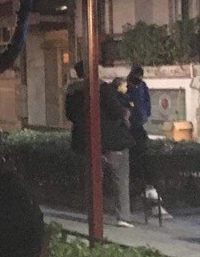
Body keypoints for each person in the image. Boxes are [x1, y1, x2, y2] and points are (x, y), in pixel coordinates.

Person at [65, 61, 134, 227]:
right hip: (113, 141)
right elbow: (116, 110)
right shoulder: (103, 88)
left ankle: (95, 212)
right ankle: (123, 216)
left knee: (93, 179)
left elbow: (69, 115)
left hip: (85, 142)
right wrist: (126, 112)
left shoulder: (72, 92)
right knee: (120, 179)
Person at [125, 65, 168, 218]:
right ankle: (144, 192)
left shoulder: (139, 87)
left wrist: (144, 115)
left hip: (137, 125)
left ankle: (145, 192)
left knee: (140, 161)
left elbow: (146, 103)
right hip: (134, 125)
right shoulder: (131, 87)